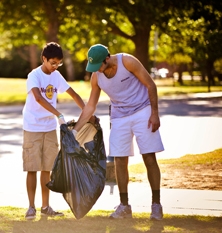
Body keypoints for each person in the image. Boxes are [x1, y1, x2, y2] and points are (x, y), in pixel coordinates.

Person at [73, 44, 164, 220]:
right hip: (119, 116)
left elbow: (150, 85)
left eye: (98, 65)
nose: (96, 70)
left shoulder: (128, 61)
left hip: (142, 110)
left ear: (107, 58)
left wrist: (154, 113)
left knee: (149, 157)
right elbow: (91, 105)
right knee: (119, 159)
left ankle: (156, 204)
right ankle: (124, 206)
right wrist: (76, 129)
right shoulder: (96, 76)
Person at [22, 42, 87, 220]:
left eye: (58, 63)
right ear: (44, 59)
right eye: (52, 62)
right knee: (32, 168)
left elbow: (73, 94)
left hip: (49, 128)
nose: (55, 66)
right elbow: (38, 97)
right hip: (33, 127)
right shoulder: (34, 76)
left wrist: (87, 111)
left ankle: (45, 206)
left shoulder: (56, 75)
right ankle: (31, 207)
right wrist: (58, 114)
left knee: (47, 169)